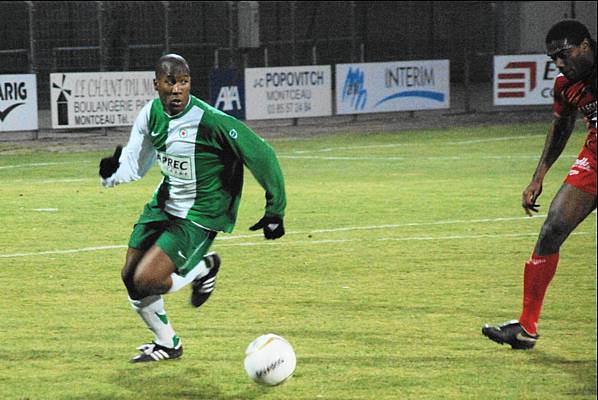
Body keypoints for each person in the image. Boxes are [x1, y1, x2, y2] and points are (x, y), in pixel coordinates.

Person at [99, 54, 287, 362]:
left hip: (201, 213)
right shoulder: (150, 114)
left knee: (146, 279)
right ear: (156, 84)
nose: (176, 90)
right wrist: (112, 174)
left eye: (183, 82)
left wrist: (274, 210)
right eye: (170, 82)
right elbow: (136, 162)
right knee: (129, 276)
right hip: (165, 203)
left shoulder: (211, 120)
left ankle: (203, 267)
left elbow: (262, 154)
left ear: (190, 84)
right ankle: (168, 343)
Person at [482, 19, 596, 349]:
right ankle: (526, 328)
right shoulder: (566, 85)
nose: (559, 64)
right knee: (552, 229)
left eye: (563, 54)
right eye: (553, 59)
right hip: (595, 158)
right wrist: (538, 177)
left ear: (585, 46)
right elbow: (561, 127)